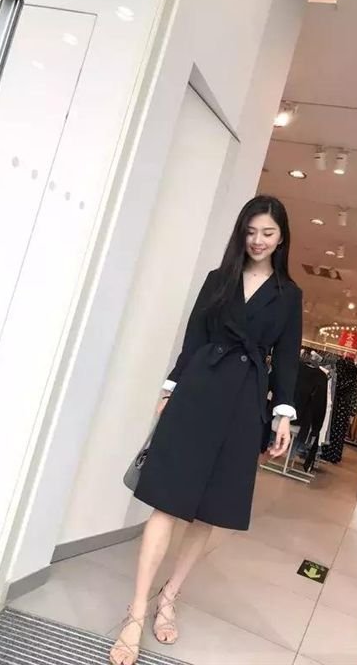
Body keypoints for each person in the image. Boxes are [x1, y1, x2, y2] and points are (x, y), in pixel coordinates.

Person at [110, 195, 302, 665]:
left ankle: (169, 595)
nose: (258, 241)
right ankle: (136, 612)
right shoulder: (219, 279)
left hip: (245, 403)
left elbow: (287, 359)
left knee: (209, 510)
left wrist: (283, 415)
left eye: (268, 233)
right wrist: (171, 386)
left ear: (281, 238)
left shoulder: (288, 294)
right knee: (167, 502)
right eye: (251, 232)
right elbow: (194, 338)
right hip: (199, 390)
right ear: (241, 233)